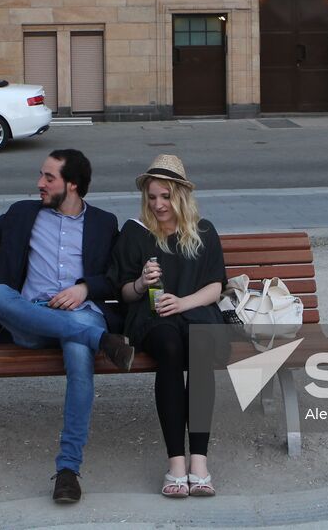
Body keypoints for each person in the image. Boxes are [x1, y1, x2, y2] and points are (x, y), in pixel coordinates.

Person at [0, 148, 135, 505]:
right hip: (30, 320)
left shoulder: (103, 222)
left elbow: (116, 277)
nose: (39, 183)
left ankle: (68, 471)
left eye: (48, 178)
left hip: (80, 313)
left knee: (77, 348)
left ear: (71, 185)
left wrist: (84, 288)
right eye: (41, 175)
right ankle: (102, 340)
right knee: (0, 296)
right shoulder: (23, 213)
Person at [109, 154, 227, 498]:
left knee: (201, 348)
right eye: (152, 197)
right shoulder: (135, 232)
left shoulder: (203, 231)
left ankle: (199, 463)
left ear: (181, 195)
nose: (158, 205)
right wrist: (143, 283)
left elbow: (215, 287)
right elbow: (123, 293)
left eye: (165, 196)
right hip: (153, 318)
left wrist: (183, 302)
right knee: (171, 349)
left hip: (196, 313)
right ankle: (176, 463)